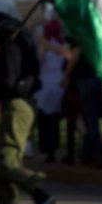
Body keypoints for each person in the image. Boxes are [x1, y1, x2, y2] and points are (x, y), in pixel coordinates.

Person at [0, 12, 56, 204]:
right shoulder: (23, 43)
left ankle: (39, 192)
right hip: (21, 104)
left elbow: (8, 80)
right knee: (3, 158)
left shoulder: (11, 45)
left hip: (17, 104)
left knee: (7, 158)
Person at [60, 41, 102, 167]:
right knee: (90, 120)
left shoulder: (80, 36)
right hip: (96, 79)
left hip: (86, 81)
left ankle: (96, 153)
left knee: (89, 121)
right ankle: (87, 153)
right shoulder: (96, 37)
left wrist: (66, 75)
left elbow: (74, 57)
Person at [34, 20, 67, 164]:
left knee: (44, 120)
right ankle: (53, 149)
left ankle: (47, 150)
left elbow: (39, 60)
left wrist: (37, 36)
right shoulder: (63, 45)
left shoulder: (45, 46)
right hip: (58, 85)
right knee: (54, 120)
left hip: (45, 86)